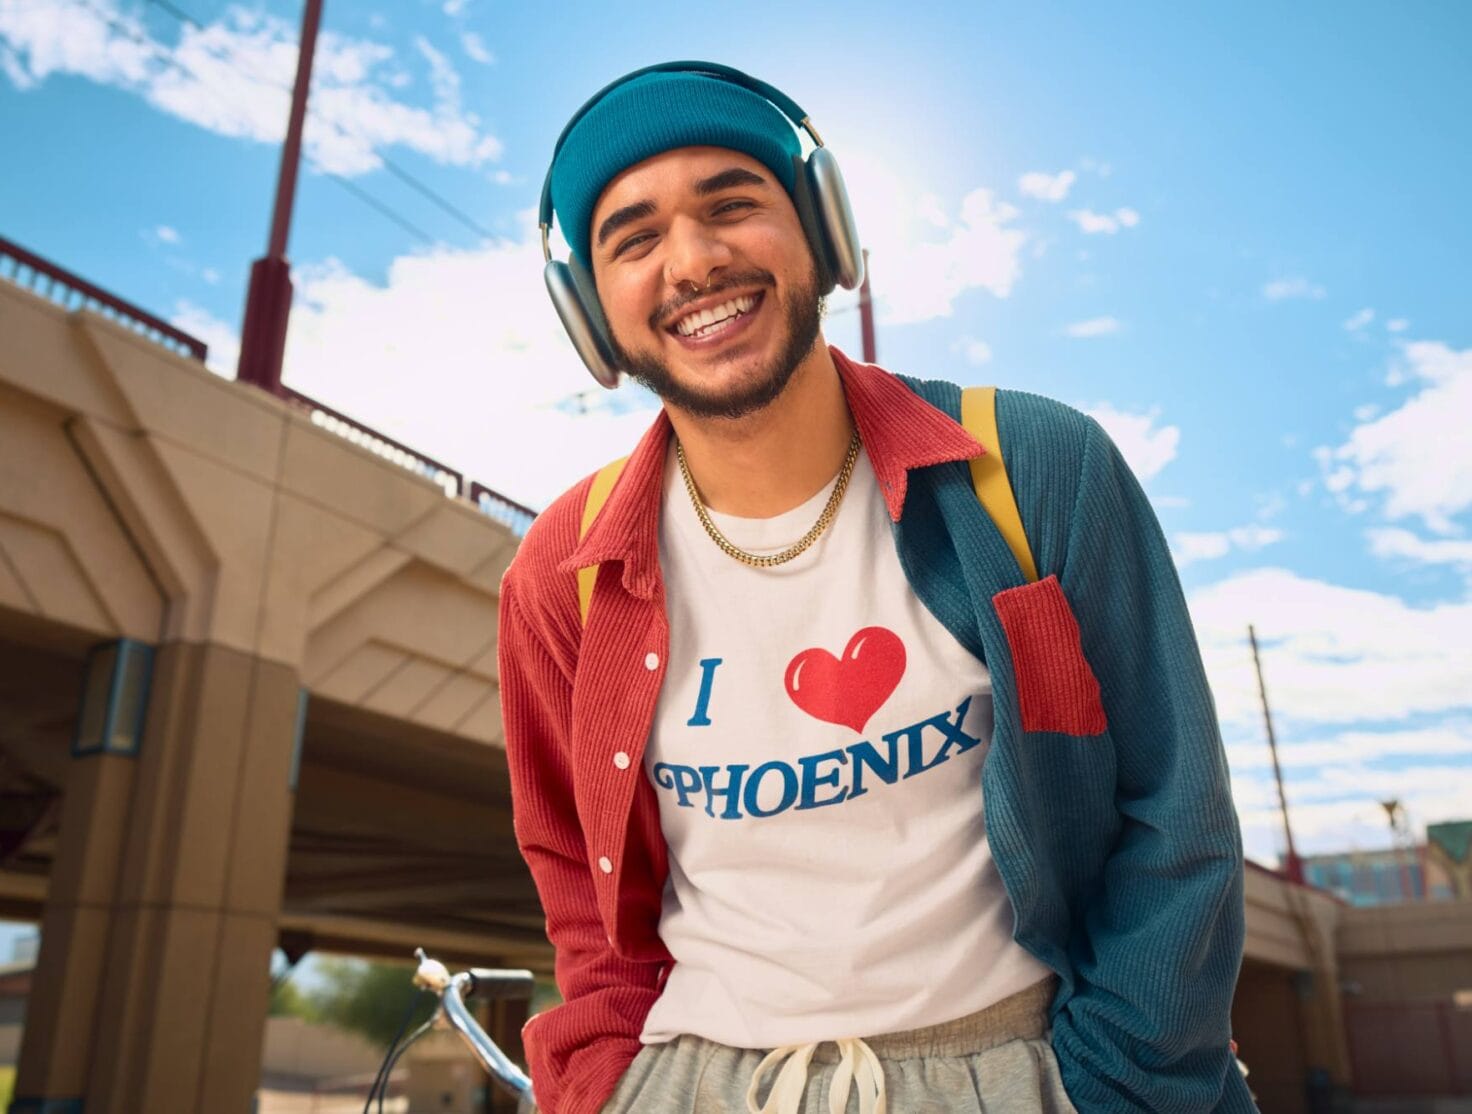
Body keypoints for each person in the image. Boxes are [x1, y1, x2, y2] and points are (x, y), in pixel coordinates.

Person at [498, 61, 1256, 1114]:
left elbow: (1172, 817)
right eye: (634, 239)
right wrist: (606, 1089)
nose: (694, 260)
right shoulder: (563, 571)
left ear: (822, 231)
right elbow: (577, 889)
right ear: (588, 309)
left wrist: (1111, 1088)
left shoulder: (1032, 467)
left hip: (1016, 1071)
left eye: (732, 204)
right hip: (693, 1081)